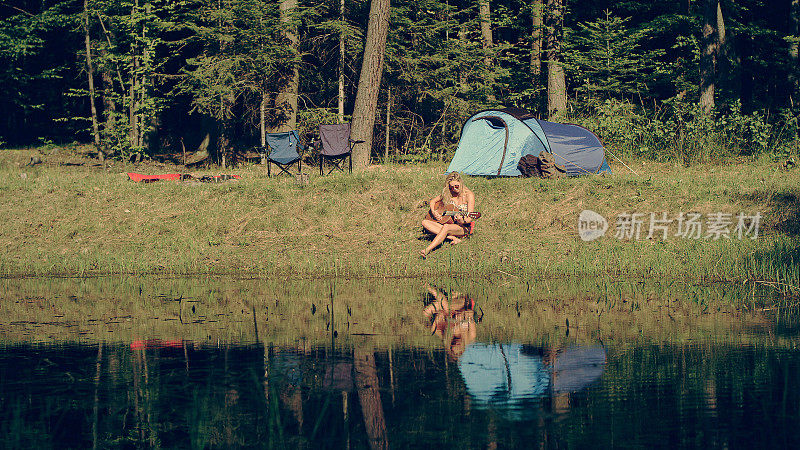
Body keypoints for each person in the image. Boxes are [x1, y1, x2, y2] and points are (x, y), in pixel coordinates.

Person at [420, 172, 476, 258]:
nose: (454, 189)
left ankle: (427, 250)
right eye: (451, 187)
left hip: (464, 227)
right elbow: (432, 201)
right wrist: (434, 212)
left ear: (461, 183)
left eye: (456, 186)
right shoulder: (449, 193)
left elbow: (470, 218)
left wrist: (461, 220)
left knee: (446, 227)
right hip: (451, 224)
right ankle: (452, 238)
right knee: (425, 222)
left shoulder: (469, 195)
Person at [422, 285, 477, 361]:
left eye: (453, 344)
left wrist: (438, 318)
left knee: (426, 312)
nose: (456, 342)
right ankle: (430, 288)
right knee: (446, 306)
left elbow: (433, 329)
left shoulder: (446, 338)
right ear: (463, 348)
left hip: (446, 310)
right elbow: (470, 313)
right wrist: (462, 315)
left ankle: (444, 294)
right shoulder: (471, 336)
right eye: (458, 345)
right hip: (461, 306)